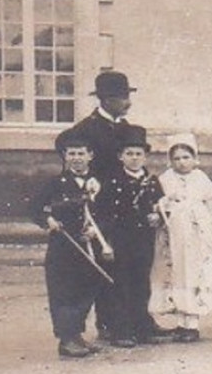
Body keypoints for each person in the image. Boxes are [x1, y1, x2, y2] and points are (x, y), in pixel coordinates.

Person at [31, 129, 112, 358]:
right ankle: (66, 341)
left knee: (85, 292)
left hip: (89, 249)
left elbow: (109, 214)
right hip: (63, 249)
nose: (76, 157)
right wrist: (48, 220)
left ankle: (76, 335)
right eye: (71, 153)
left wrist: (97, 232)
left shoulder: (99, 184)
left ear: (90, 156)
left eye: (81, 153)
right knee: (64, 293)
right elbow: (35, 208)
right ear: (65, 156)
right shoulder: (55, 183)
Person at [95, 126, 167, 347]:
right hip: (120, 239)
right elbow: (102, 213)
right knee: (120, 284)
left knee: (141, 283)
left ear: (145, 157)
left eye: (138, 154)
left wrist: (159, 218)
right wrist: (107, 241)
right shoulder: (111, 183)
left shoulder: (153, 182)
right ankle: (121, 330)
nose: (134, 158)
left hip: (143, 240)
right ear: (120, 157)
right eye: (129, 154)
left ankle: (142, 328)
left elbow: (163, 207)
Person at [149, 134, 212, 341]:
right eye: (177, 158)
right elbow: (157, 204)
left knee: (193, 275)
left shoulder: (201, 178)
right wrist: (164, 204)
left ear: (194, 158)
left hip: (196, 237)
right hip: (173, 236)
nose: (182, 162)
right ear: (170, 160)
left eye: (186, 157)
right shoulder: (165, 179)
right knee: (176, 274)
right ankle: (181, 321)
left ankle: (192, 323)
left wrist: (211, 236)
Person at [70, 70, 139, 176]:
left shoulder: (126, 127)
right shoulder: (85, 129)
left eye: (128, 97)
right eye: (124, 98)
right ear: (108, 100)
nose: (129, 103)